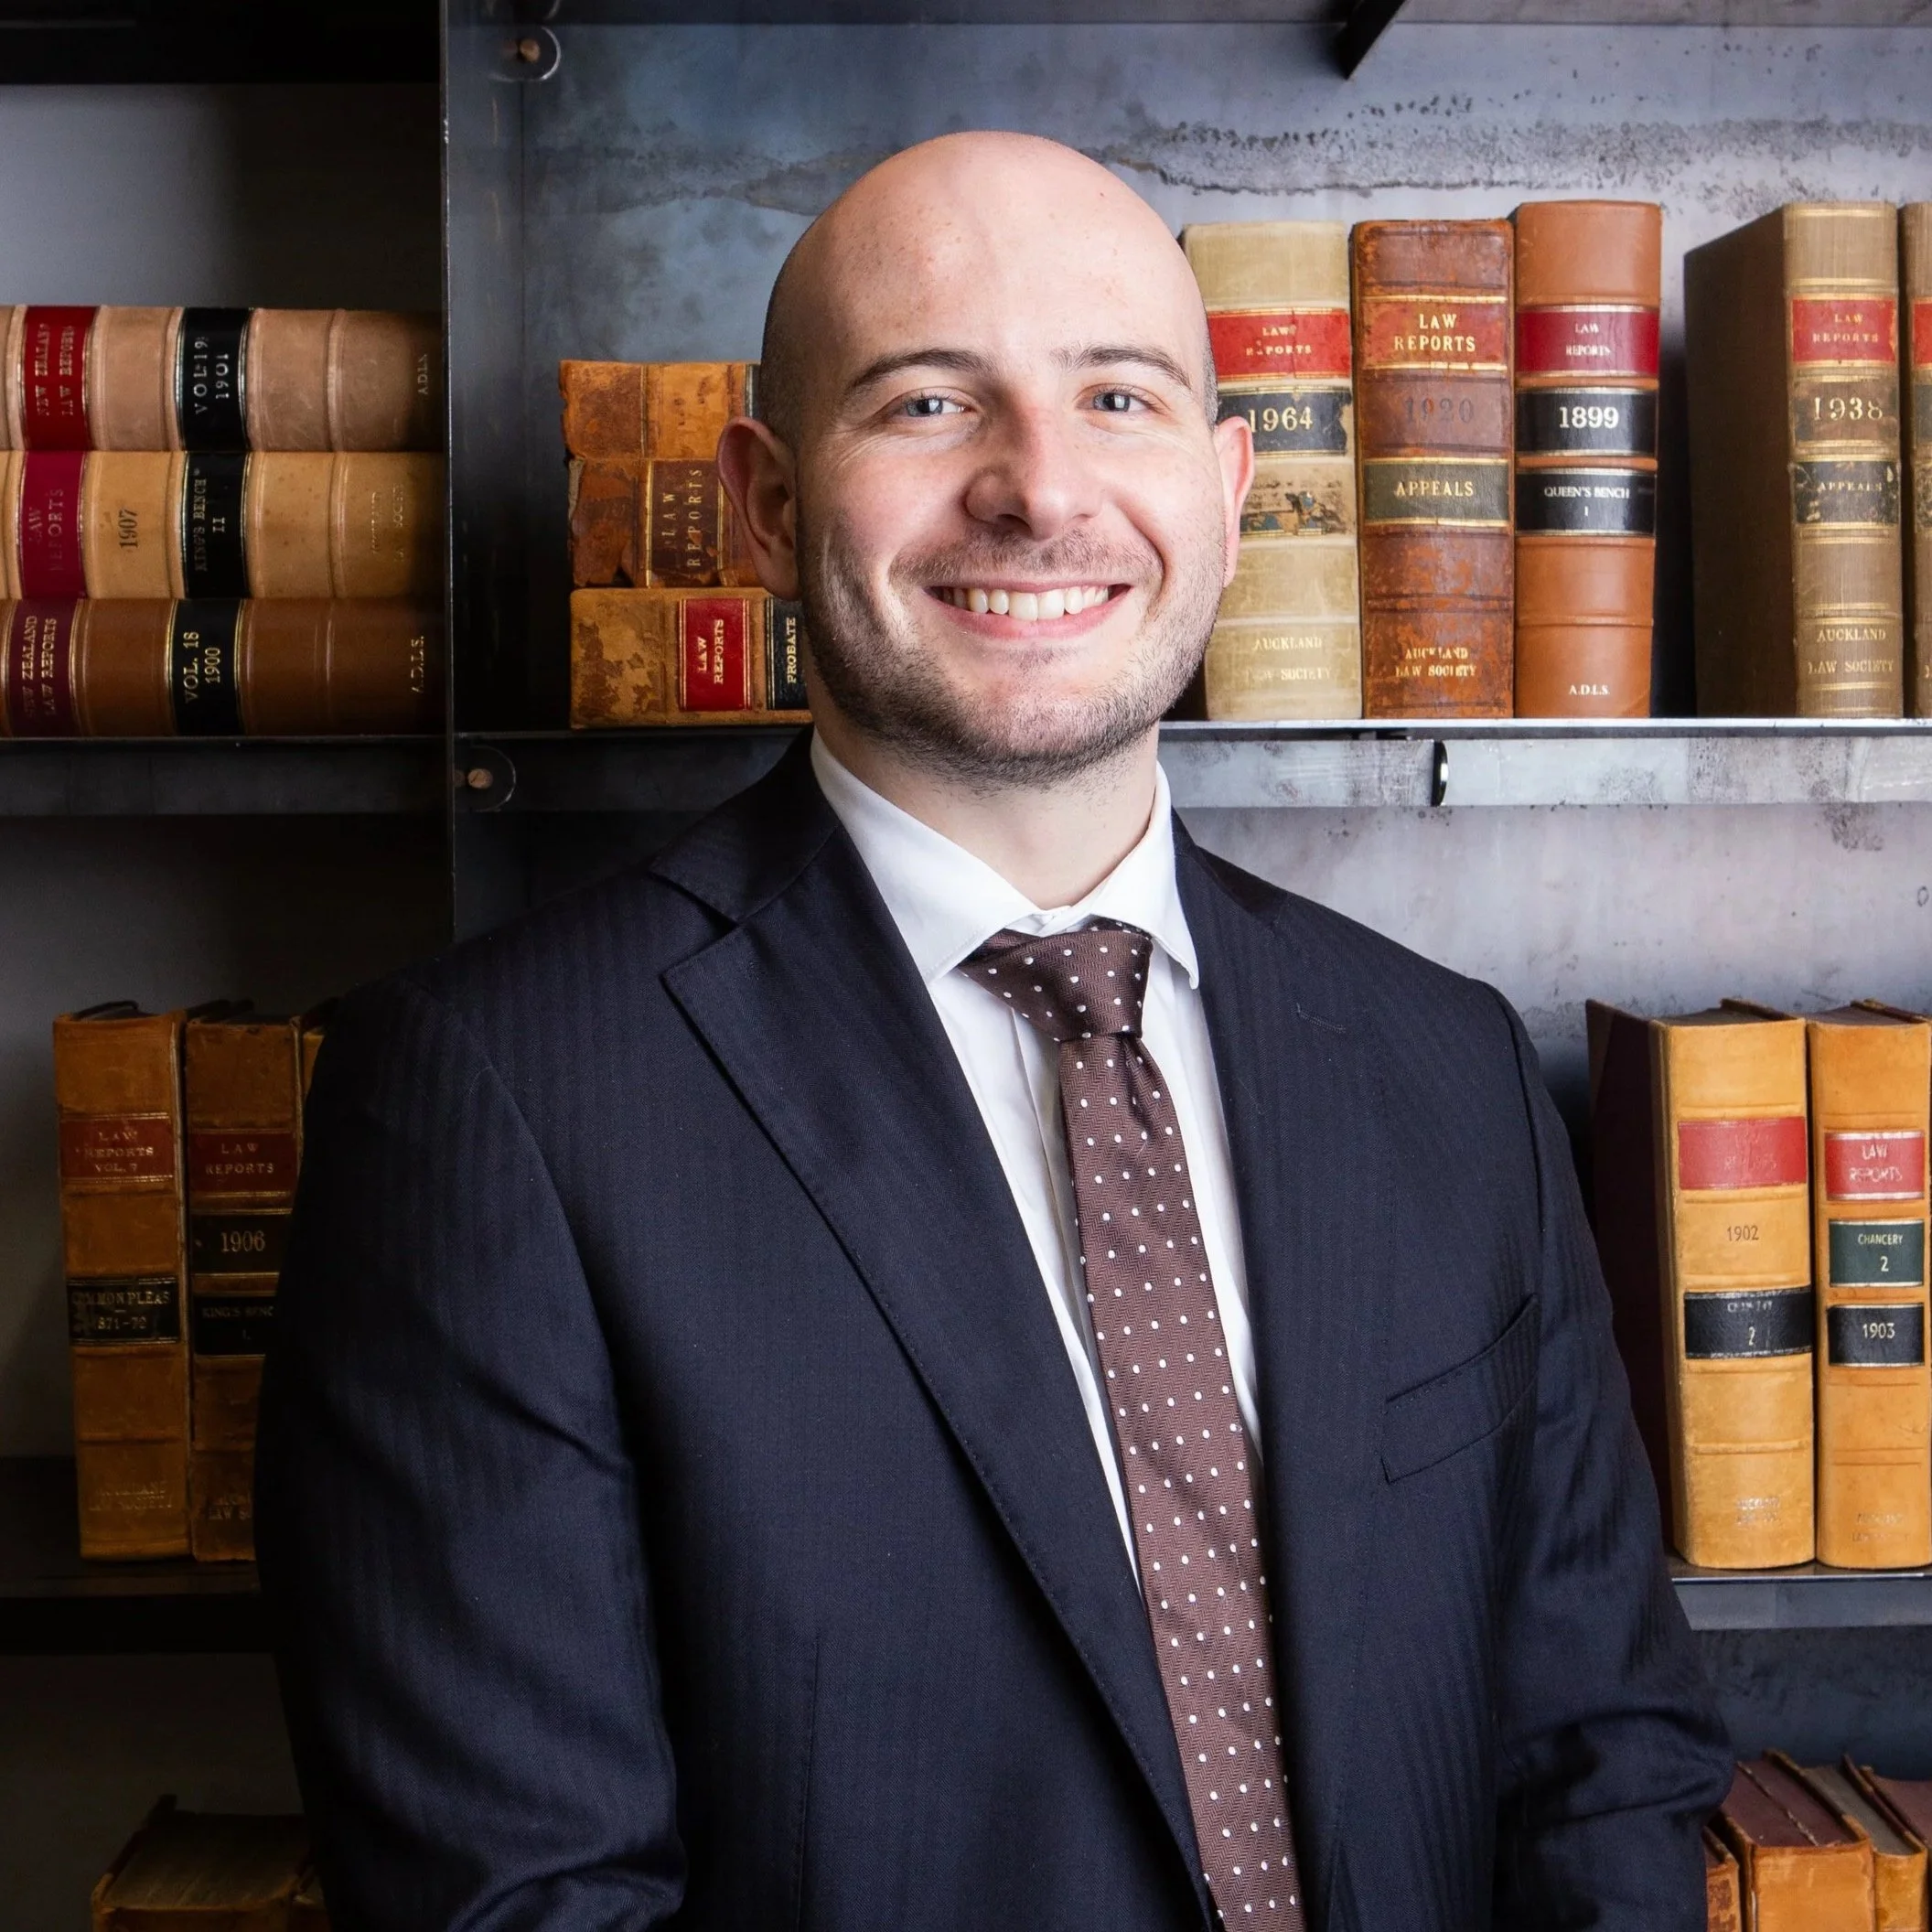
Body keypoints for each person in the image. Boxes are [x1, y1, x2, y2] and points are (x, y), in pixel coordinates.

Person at [258, 132, 1731, 1932]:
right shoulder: (493, 1106)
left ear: (1227, 484)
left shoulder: (1444, 1067)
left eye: (1118, 396)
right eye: (931, 401)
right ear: (767, 505)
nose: (1040, 492)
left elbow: (1602, 1752)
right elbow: (518, 1901)